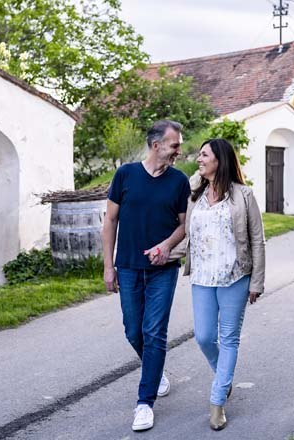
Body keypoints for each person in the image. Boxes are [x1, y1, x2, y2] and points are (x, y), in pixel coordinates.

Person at [101, 120, 191, 432]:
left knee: (154, 332)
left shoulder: (179, 182)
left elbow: (183, 224)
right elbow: (110, 220)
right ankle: (156, 370)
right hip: (126, 266)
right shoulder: (125, 174)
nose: (179, 150)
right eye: (174, 145)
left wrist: (166, 246)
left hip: (163, 270)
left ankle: (144, 402)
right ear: (156, 146)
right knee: (132, 331)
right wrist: (108, 266)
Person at [184, 138, 265, 431]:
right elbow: (185, 231)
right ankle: (224, 377)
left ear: (220, 159)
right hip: (203, 277)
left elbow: (257, 239)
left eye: (204, 155)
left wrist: (257, 281)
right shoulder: (196, 195)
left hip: (235, 277)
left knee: (229, 338)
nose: (199, 159)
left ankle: (217, 401)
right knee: (204, 336)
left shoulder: (244, 195)